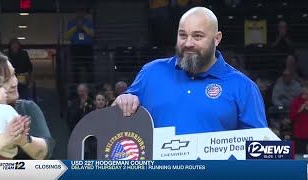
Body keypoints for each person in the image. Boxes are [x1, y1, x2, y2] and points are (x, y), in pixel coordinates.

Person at [113, 7, 267, 134]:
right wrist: (121, 102)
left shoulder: (244, 87)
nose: (188, 43)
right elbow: (114, 119)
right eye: (182, 35)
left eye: (197, 36)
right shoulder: (151, 73)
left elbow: (259, 151)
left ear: (217, 38)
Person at [0, 48, 55, 160]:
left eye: (14, 75)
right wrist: (6, 137)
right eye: (6, 80)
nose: (14, 83)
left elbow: (45, 153)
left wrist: (23, 140)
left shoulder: (26, 108)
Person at [0, 70, 30, 159]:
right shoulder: (7, 109)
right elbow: (19, 126)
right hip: (5, 155)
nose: (4, 90)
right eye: (0, 87)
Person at [65, 9, 94, 83]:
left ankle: (90, 82)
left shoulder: (89, 23)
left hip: (87, 48)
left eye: (82, 12)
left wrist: (83, 27)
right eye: (78, 12)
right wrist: (76, 27)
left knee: (89, 66)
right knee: (76, 67)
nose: (80, 14)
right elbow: (67, 36)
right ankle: (76, 82)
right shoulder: (71, 23)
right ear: (76, 13)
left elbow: (92, 34)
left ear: (84, 14)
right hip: (75, 48)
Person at [290, 82, 308, 154]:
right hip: (299, 134)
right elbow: (292, 117)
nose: (305, 95)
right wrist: (300, 109)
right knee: (299, 154)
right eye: (304, 93)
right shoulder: (296, 102)